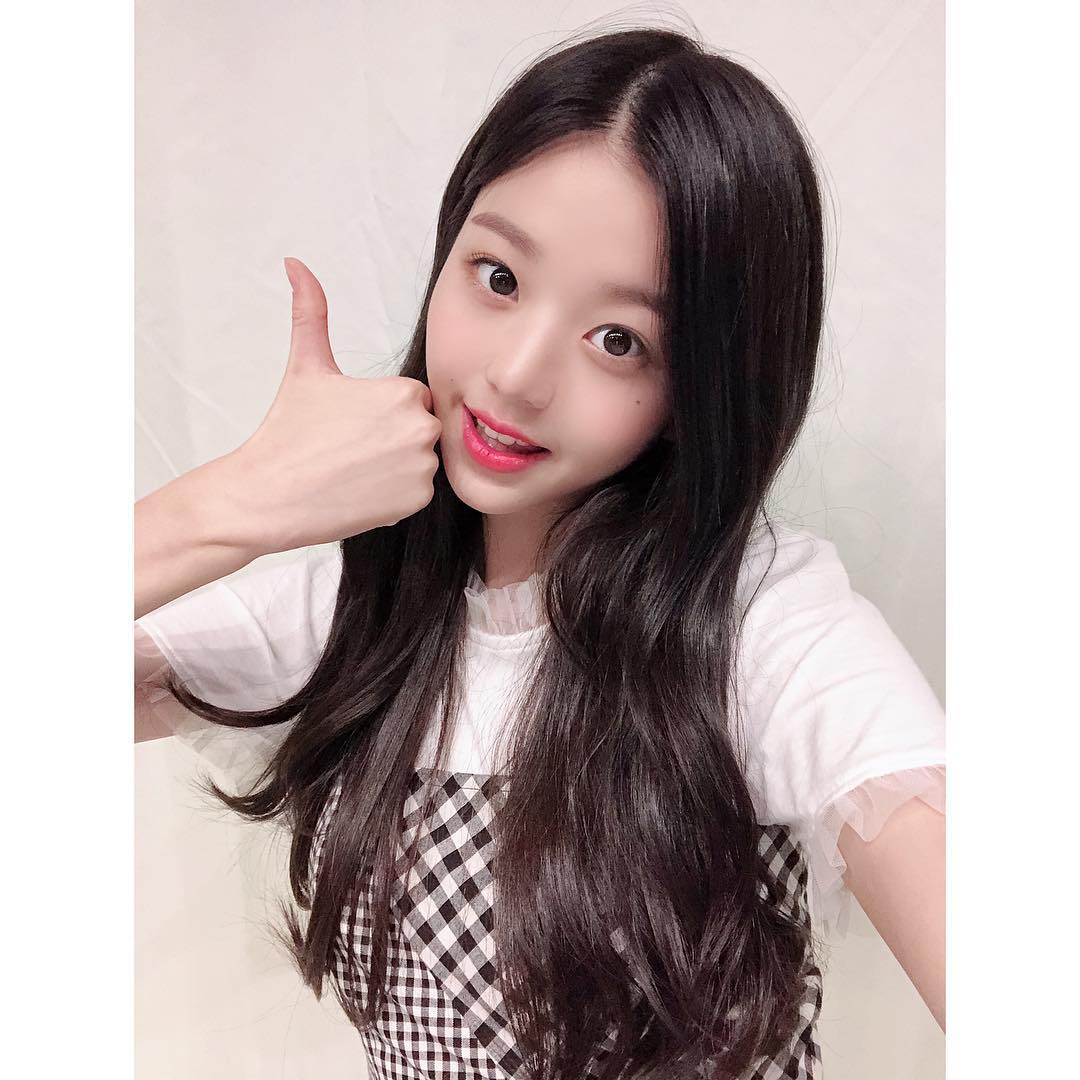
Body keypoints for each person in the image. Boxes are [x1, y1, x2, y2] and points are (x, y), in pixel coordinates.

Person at [135, 26, 945, 1080]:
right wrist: (235, 502)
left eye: (620, 340)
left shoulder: (764, 629)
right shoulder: (352, 613)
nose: (517, 376)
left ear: (703, 385)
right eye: (499, 276)